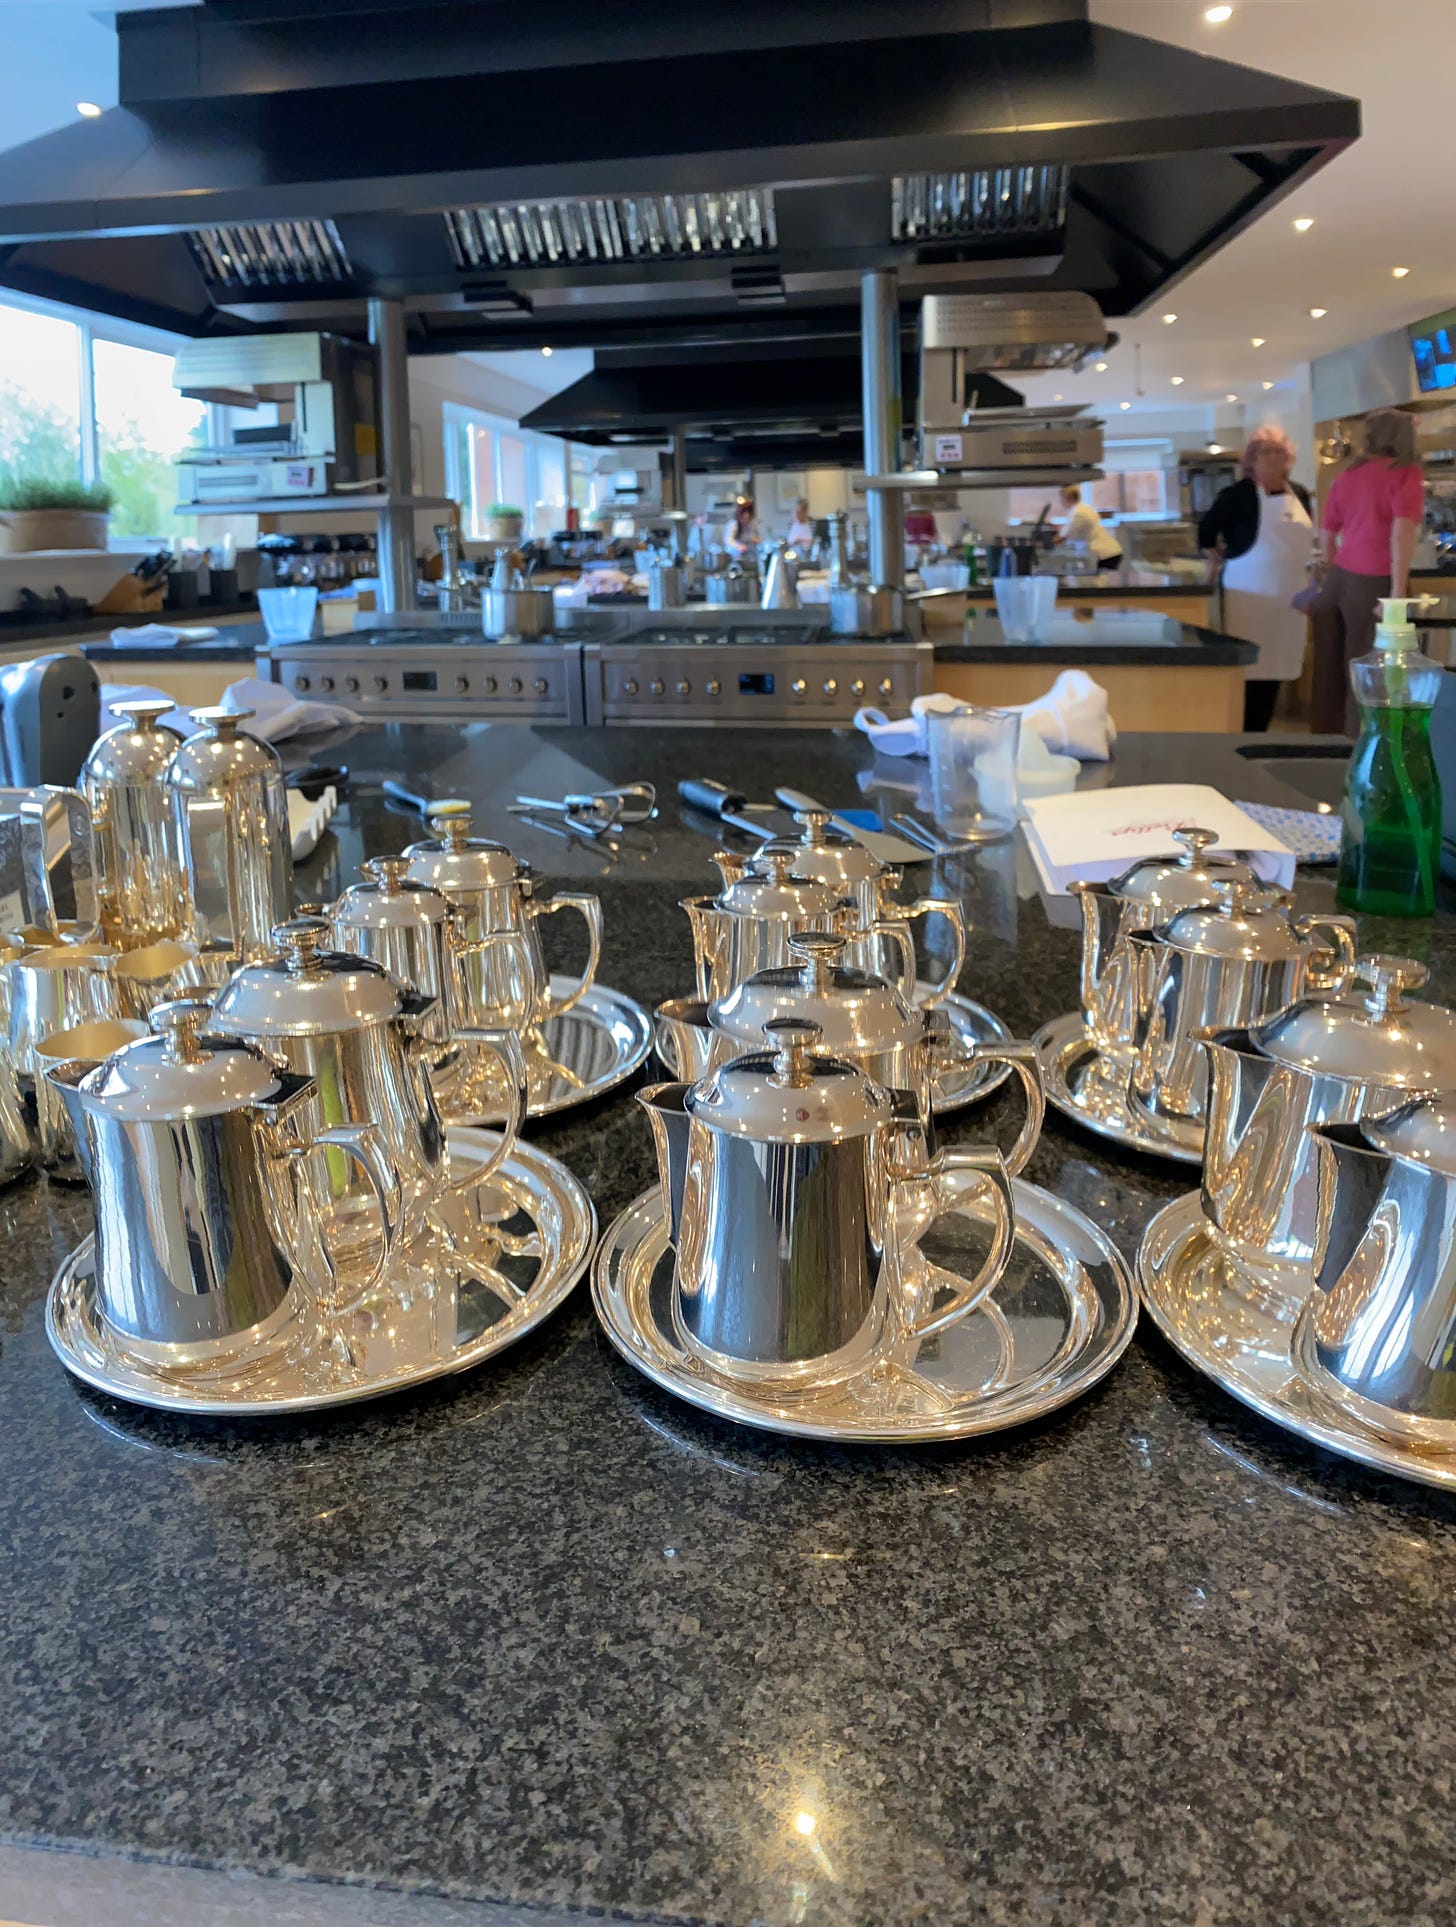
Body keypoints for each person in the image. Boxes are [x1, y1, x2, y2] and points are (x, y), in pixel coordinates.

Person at [1311, 408, 1425, 734]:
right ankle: (1360, 746)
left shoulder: (1347, 475)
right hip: (1374, 580)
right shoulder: (1406, 473)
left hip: (1340, 579)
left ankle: (1325, 743)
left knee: (1331, 669)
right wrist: (1397, 593)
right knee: (1369, 670)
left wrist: (1332, 575)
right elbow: (1401, 533)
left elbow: (1327, 534)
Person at [1197, 425, 1314, 732]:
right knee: (1249, 666)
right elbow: (1206, 530)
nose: (1275, 458)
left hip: (1290, 596)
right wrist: (1215, 558)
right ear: (1252, 458)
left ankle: (1263, 728)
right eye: (1267, 452)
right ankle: (1243, 730)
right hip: (1248, 594)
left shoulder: (1298, 493)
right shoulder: (1238, 495)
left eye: (1280, 452)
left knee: (1278, 664)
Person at [1054, 485, 1122, 570]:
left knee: (1098, 581)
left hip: (1103, 553)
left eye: (1061, 499)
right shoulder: (1083, 508)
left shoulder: (1077, 512)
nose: (1061, 502)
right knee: (1099, 580)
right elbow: (1075, 529)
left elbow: (1063, 537)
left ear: (1068, 499)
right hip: (1109, 551)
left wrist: (1041, 544)